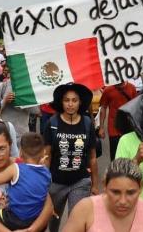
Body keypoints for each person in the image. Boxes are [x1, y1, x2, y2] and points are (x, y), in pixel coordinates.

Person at [0, 122, 53, 232]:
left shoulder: (23, 165)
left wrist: (32, 229)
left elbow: (48, 204)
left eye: (2, 148)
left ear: (10, 144)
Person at [43, 83, 99, 232]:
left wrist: (94, 185)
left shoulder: (87, 124)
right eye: (67, 100)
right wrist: (43, 183)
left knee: (77, 222)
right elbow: (46, 156)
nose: (70, 104)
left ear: (80, 102)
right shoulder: (52, 123)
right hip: (55, 182)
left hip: (80, 181)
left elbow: (93, 157)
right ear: (61, 102)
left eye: (74, 100)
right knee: (53, 220)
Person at [62, 158, 143, 232]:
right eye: (115, 192)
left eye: (131, 193)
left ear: (140, 188)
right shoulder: (85, 209)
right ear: (105, 186)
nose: (123, 201)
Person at [99, 81, 137, 160]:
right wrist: (101, 127)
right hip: (114, 129)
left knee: (130, 155)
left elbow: (136, 107)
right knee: (115, 156)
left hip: (129, 128)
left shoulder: (132, 88)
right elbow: (103, 108)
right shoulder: (108, 90)